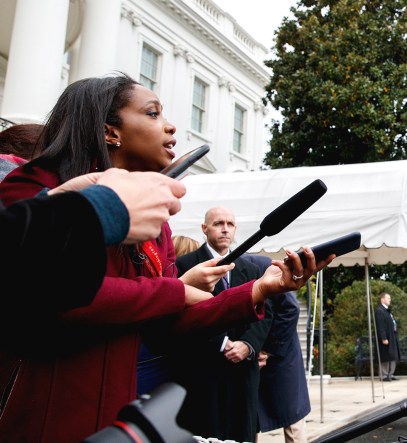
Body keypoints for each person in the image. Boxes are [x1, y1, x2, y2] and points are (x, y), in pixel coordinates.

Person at [0, 72, 330, 443]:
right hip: (38, 421)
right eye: (153, 113)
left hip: (117, 424)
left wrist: (260, 290)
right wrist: (174, 291)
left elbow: (168, 326)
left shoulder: (159, 225)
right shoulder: (33, 186)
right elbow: (59, 297)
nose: (171, 126)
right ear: (111, 131)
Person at [0, 168, 186, 320]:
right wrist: (101, 209)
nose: (171, 128)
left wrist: (55, 199)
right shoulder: (34, 176)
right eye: (153, 118)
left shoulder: (155, 217)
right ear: (110, 132)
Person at [168, 206, 272, 441]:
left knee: (241, 435)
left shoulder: (251, 269)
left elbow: (266, 313)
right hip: (203, 371)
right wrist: (222, 342)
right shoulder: (185, 266)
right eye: (218, 223)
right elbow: (182, 313)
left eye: (230, 224)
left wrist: (248, 344)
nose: (225, 229)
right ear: (204, 228)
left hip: (242, 375)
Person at [244, 254, 311, 443]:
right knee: (250, 420)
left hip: (282, 357)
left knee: (293, 420)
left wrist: (266, 349)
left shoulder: (264, 265)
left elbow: (290, 310)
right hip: (252, 356)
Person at [375, 291, 400, 382]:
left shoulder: (387, 311)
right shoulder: (379, 310)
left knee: (392, 355)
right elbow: (380, 326)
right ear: (382, 299)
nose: (390, 300)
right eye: (388, 298)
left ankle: (390, 374)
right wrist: (383, 338)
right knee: (385, 355)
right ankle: (384, 375)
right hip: (386, 338)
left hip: (392, 336)